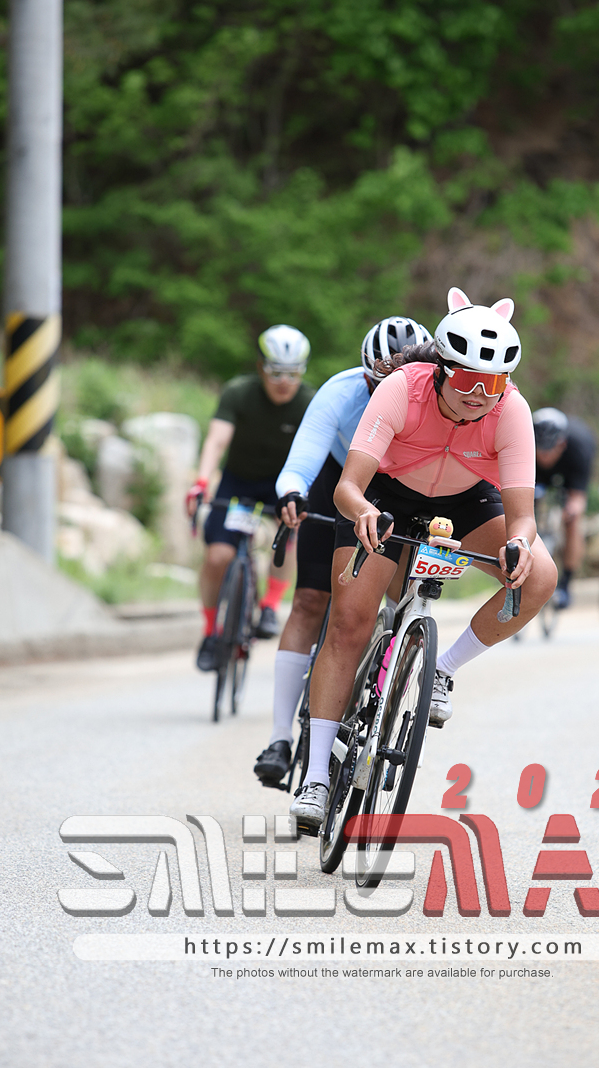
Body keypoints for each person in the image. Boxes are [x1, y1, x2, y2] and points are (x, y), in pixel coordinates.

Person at [288, 287, 558, 828]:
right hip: (385, 497)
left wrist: (519, 545)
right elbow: (347, 488)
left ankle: (441, 669)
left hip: (466, 498)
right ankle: (316, 777)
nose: (480, 394)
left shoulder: (512, 410)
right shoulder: (401, 389)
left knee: (540, 578)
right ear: (442, 368)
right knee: (349, 623)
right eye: (468, 379)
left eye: (494, 383)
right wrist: (363, 513)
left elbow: (523, 517)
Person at [252, 317, 433, 787]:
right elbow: (300, 462)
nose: (388, 394)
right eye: (377, 384)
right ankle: (279, 737)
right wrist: (292, 493)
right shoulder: (340, 392)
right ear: (365, 375)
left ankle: (383, 694)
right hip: (342, 481)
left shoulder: (438, 397)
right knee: (311, 599)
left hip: (403, 489)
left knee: (398, 602)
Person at [186, 325, 313, 671]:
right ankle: (211, 632)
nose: (284, 382)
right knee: (218, 557)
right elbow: (216, 441)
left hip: (282, 483)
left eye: (293, 373)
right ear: (260, 367)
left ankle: (270, 605)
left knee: (291, 530)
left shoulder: (309, 402)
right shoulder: (238, 393)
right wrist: (201, 482)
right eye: (276, 372)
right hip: (238, 482)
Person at [532, 407, 596, 609]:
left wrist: (571, 510)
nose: (545, 456)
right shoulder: (523, 442)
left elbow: (578, 499)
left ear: (562, 444)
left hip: (569, 473)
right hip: (534, 474)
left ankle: (567, 583)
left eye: (550, 450)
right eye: (540, 449)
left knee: (572, 519)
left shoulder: (579, 446)